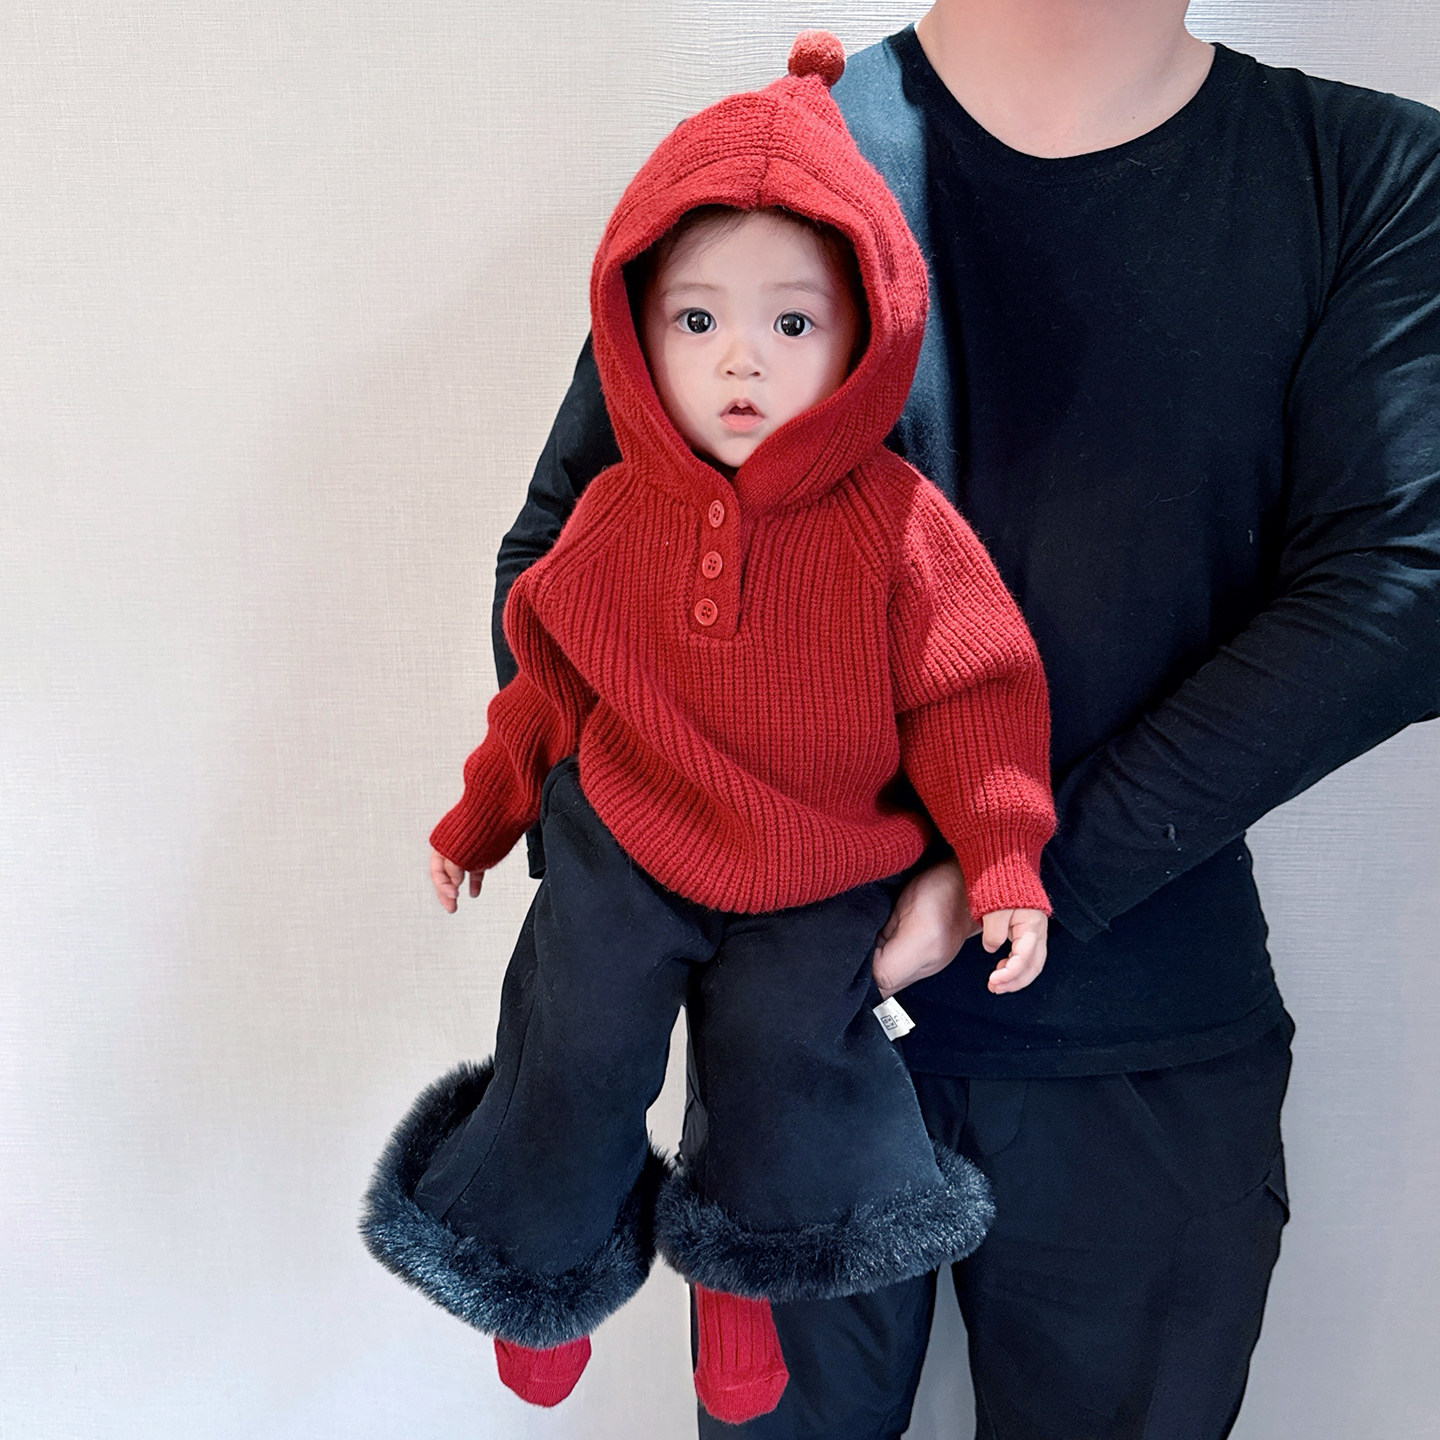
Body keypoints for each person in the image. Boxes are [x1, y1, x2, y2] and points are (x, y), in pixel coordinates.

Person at [476, 4, 1440, 1437]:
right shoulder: (775, 160)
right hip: (791, 1044)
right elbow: (564, 569)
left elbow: (1400, 593)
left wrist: (1020, 872)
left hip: (1143, 1039)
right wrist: (666, 914)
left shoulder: (1360, 171)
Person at [360, 35, 1058, 1428]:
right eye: (696, 321)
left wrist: (1003, 861)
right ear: (635, 334)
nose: (741, 358)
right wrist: (485, 811)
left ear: (867, 335)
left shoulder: (901, 529)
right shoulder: (617, 512)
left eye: (792, 325)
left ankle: (740, 1285)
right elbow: (551, 682)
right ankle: (533, 1272)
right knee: (573, 1043)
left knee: (787, 1072)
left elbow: (976, 697)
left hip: (814, 861)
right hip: (630, 841)